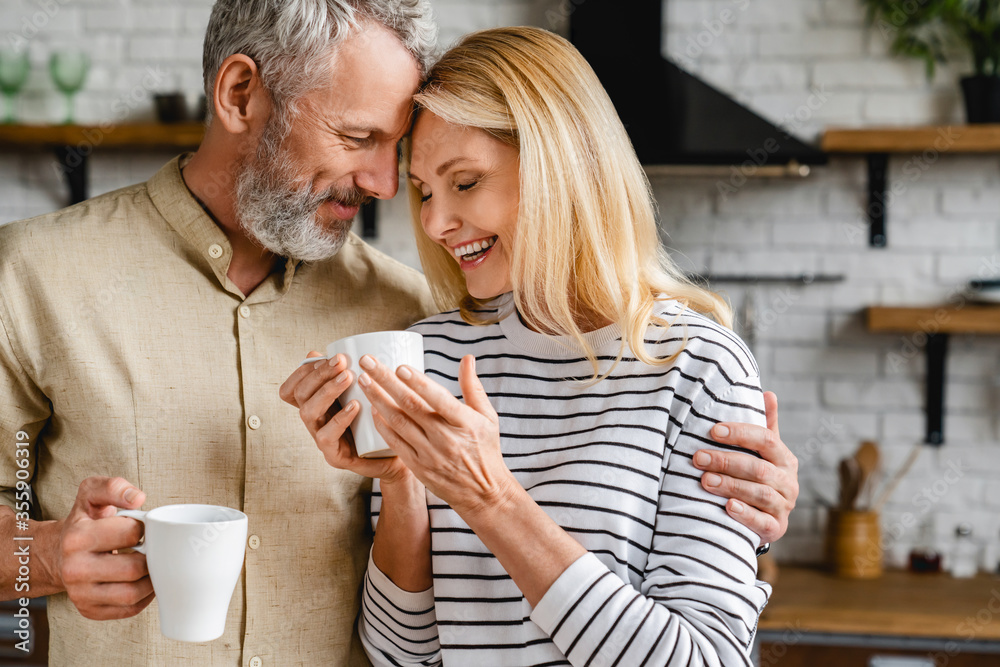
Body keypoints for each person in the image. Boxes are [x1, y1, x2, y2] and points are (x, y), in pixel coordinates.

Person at [0, 2, 792, 666]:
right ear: (241, 93)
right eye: (360, 140)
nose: (386, 189)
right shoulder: (35, 274)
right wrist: (42, 556)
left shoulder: (406, 328)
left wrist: (730, 489)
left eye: (424, 165)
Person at [282, 27, 790, 666]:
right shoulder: (428, 355)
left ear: (562, 166)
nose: (436, 224)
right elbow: (403, 657)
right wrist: (405, 480)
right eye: (425, 192)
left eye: (465, 182)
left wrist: (491, 499)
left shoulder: (696, 369)